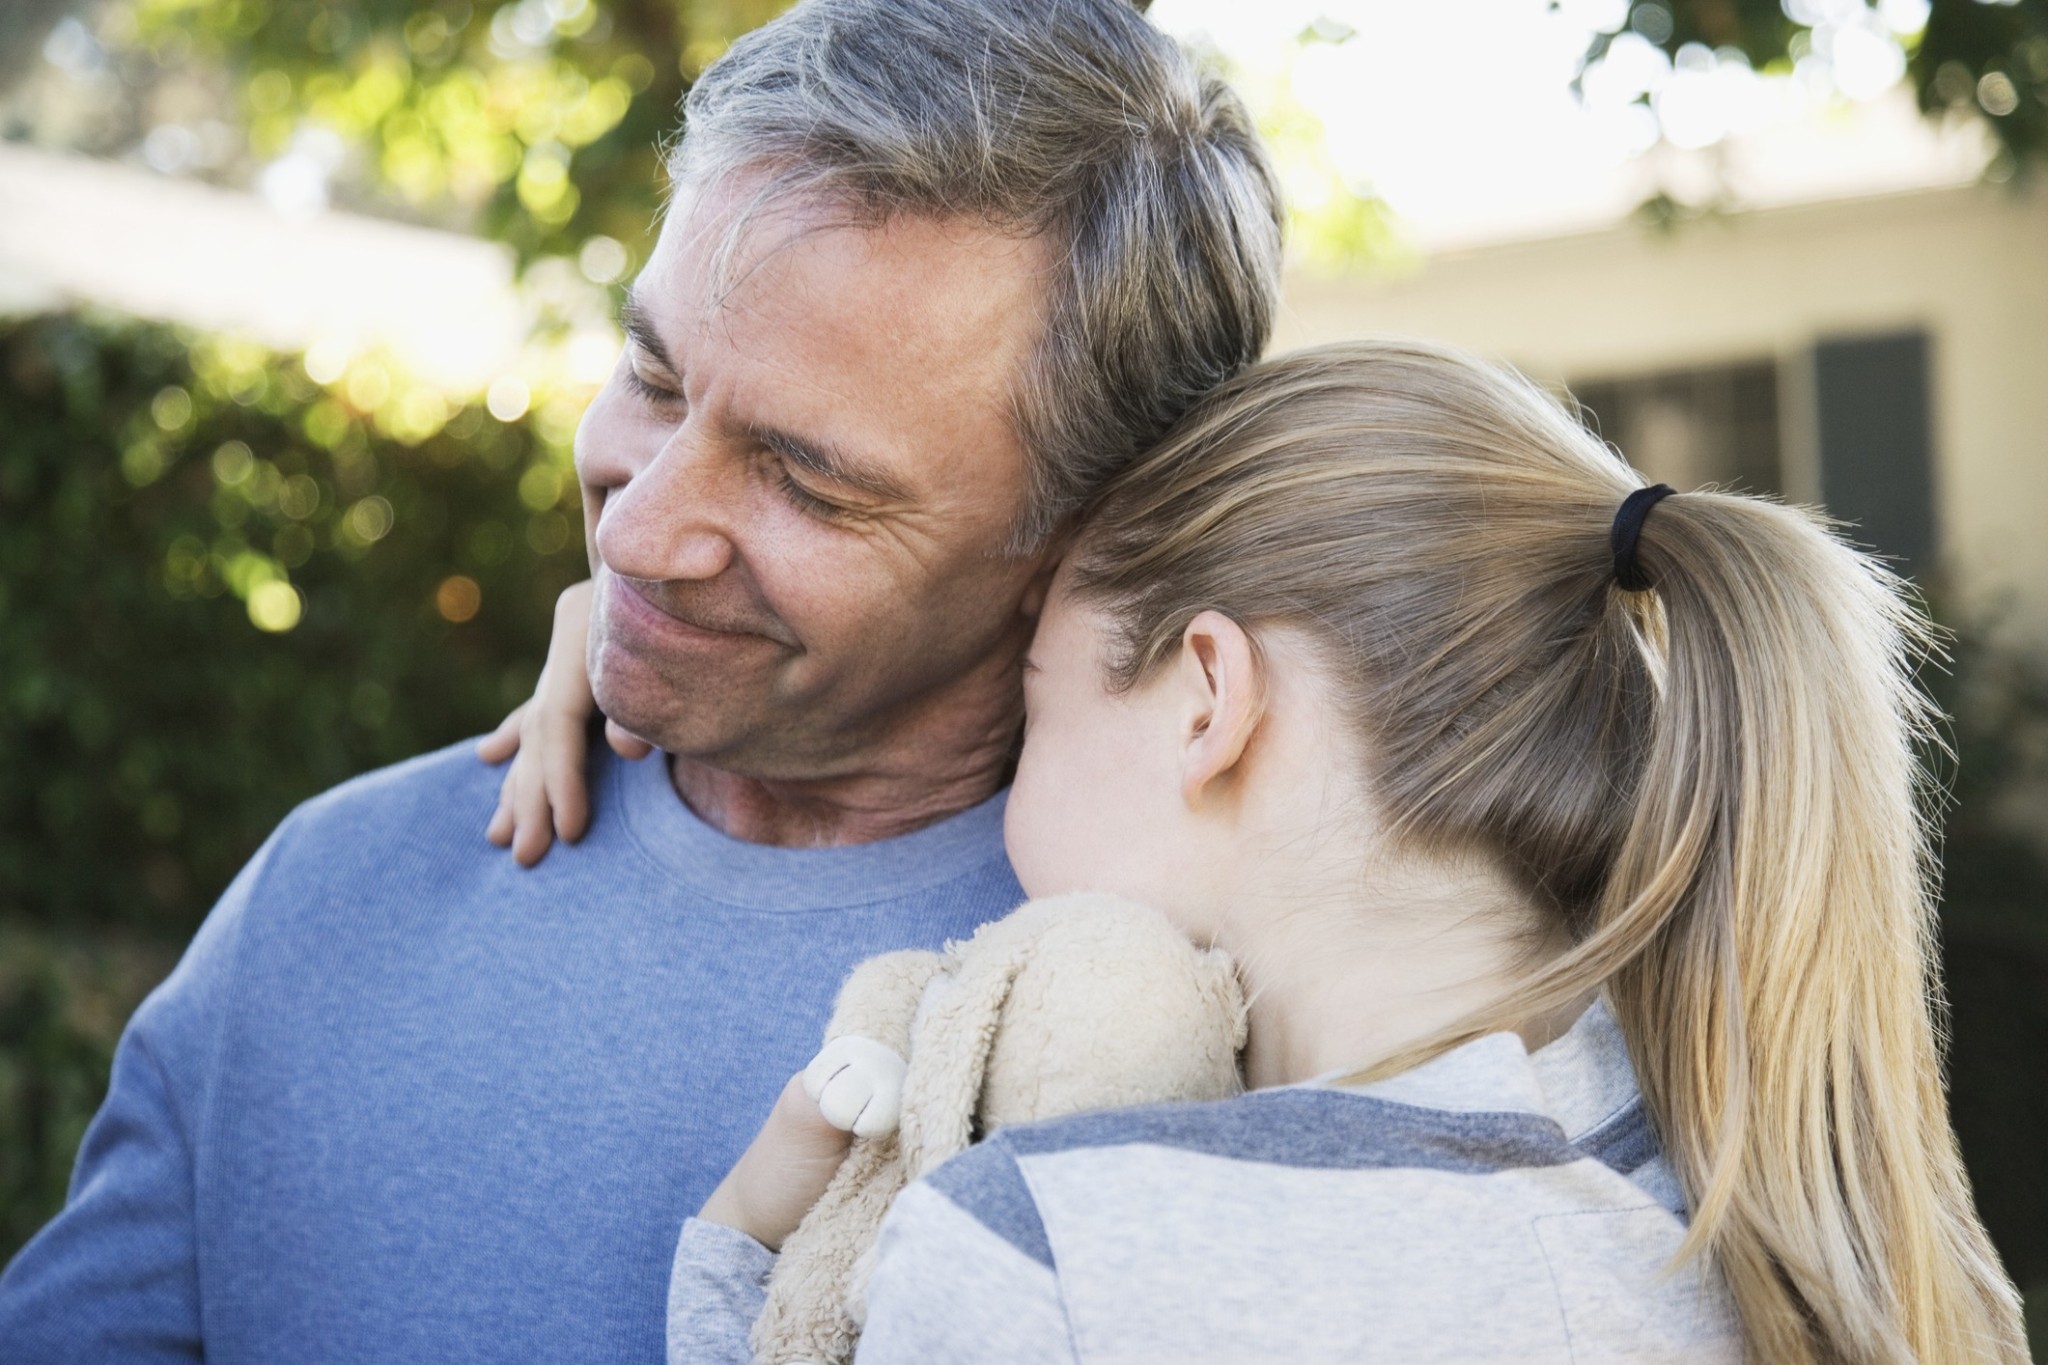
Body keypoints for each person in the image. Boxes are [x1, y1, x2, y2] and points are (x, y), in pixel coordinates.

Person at [0, 2, 1283, 1359]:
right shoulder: (332, 892)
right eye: (654, 378)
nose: (631, 532)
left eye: (808, 479)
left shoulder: (1220, 1017)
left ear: (1088, 543)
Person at [500, 341, 2028, 1362]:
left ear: (1212, 698)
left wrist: (733, 1275)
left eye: (1028, 703)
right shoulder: (1765, 1188)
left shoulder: (1047, 1254)